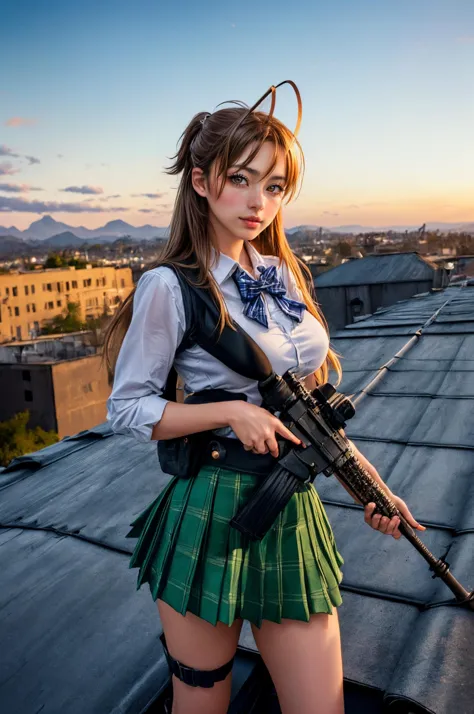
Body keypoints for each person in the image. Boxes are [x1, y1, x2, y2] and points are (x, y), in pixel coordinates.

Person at [103, 81, 426, 714]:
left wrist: (370, 485)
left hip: (291, 505)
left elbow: (309, 404)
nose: (259, 202)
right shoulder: (171, 287)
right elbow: (127, 408)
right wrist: (230, 410)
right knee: (201, 708)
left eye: (275, 186)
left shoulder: (281, 274)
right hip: (212, 506)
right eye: (242, 179)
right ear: (201, 181)